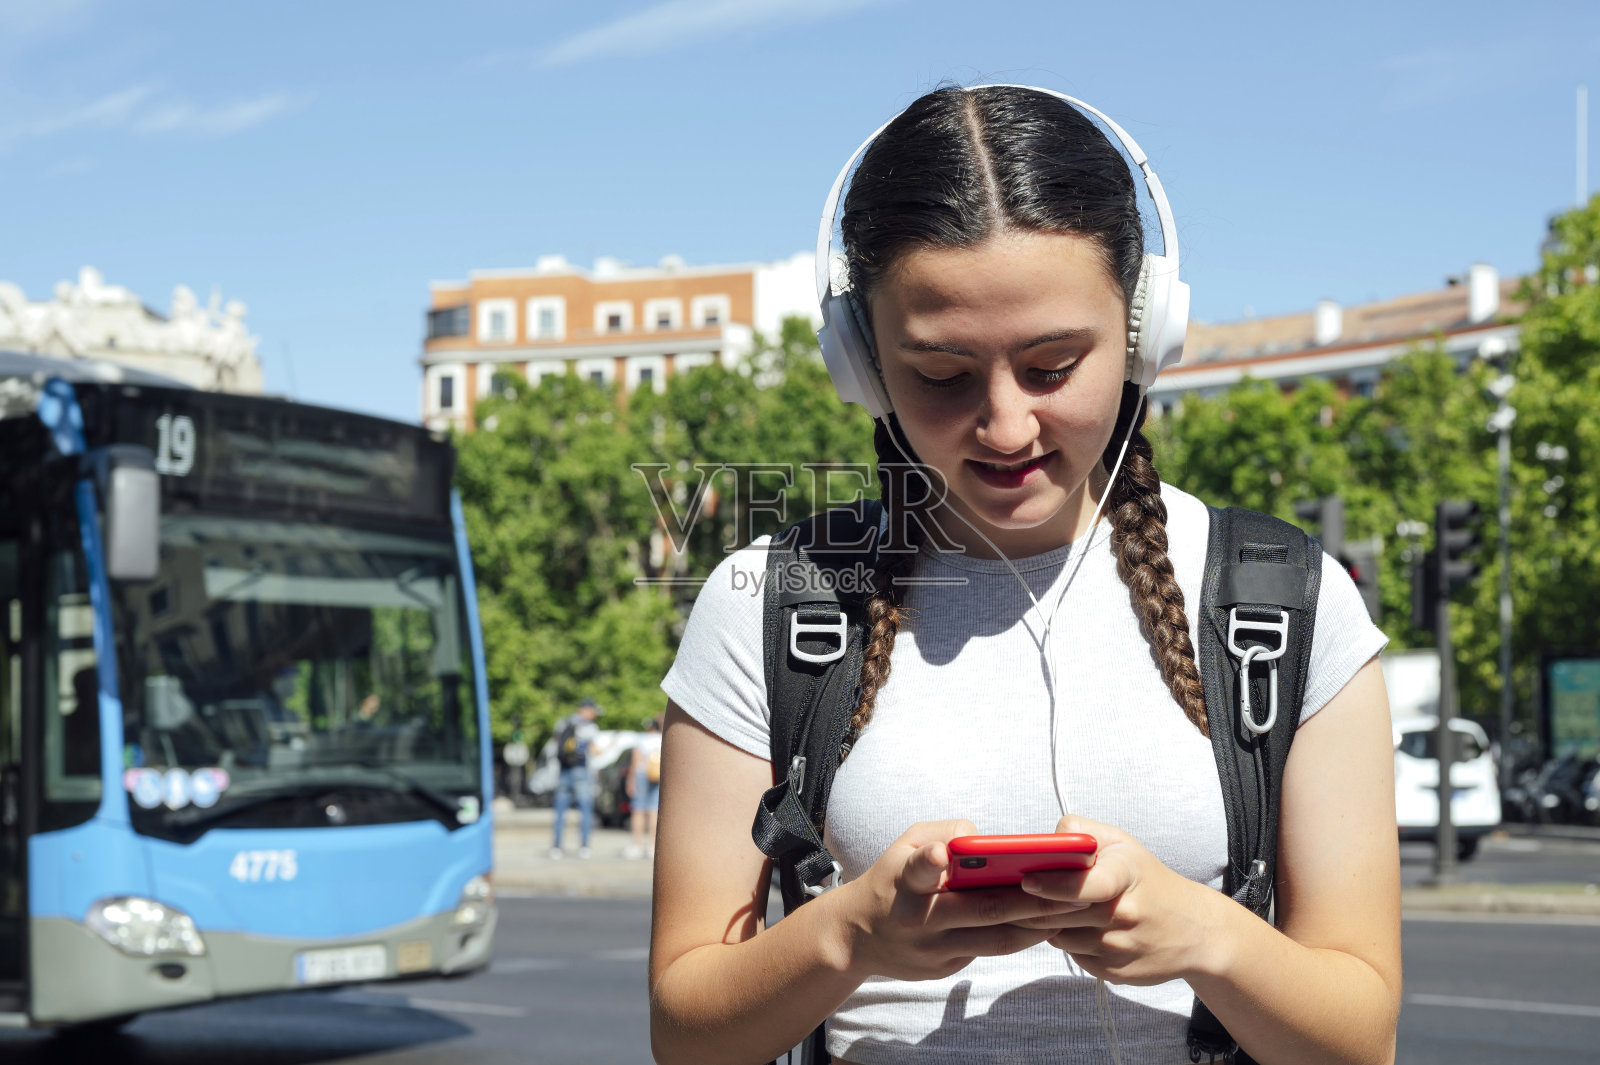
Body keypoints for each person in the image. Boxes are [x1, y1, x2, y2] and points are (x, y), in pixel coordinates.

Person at [648, 85, 1401, 1065]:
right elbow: (684, 1034)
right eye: (942, 375)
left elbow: (1360, 1043)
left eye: (1051, 366)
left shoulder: (1289, 604)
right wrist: (852, 936)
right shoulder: (772, 602)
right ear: (860, 363)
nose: (1005, 427)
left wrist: (1207, 937)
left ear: (1144, 333)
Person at [549, 697, 600, 859]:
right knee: (585, 810)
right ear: (587, 710)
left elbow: (555, 744)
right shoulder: (590, 727)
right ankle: (584, 846)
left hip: (564, 770)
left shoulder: (563, 722)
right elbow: (593, 751)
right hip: (581, 771)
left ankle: (556, 847)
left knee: (560, 810)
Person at [623, 717, 663, 860]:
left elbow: (635, 760)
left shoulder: (641, 739)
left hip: (641, 775)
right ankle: (652, 846)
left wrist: (630, 780)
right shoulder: (662, 739)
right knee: (653, 811)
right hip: (657, 776)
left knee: (639, 810)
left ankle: (637, 845)